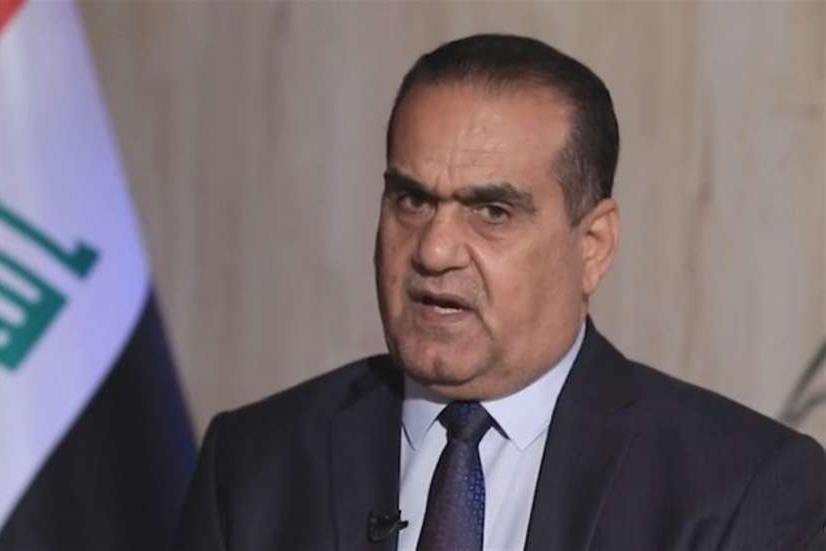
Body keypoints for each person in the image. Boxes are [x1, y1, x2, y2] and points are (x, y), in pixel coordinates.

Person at [173, 34, 826, 550]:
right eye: (412, 200)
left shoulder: (741, 489)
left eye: (492, 212)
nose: (433, 250)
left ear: (592, 246)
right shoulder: (253, 465)